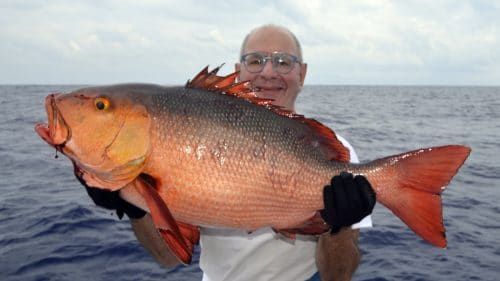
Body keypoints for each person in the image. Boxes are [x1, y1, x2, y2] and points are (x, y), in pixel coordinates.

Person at [82, 24, 375, 281]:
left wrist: (338, 226)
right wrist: (135, 205)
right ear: (238, 72)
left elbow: (338, 276)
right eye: (255, 60)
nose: (268, 72)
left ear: (303, 73)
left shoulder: (339, 155)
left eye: (284, 62)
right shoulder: (190, 134)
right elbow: (168, 258)